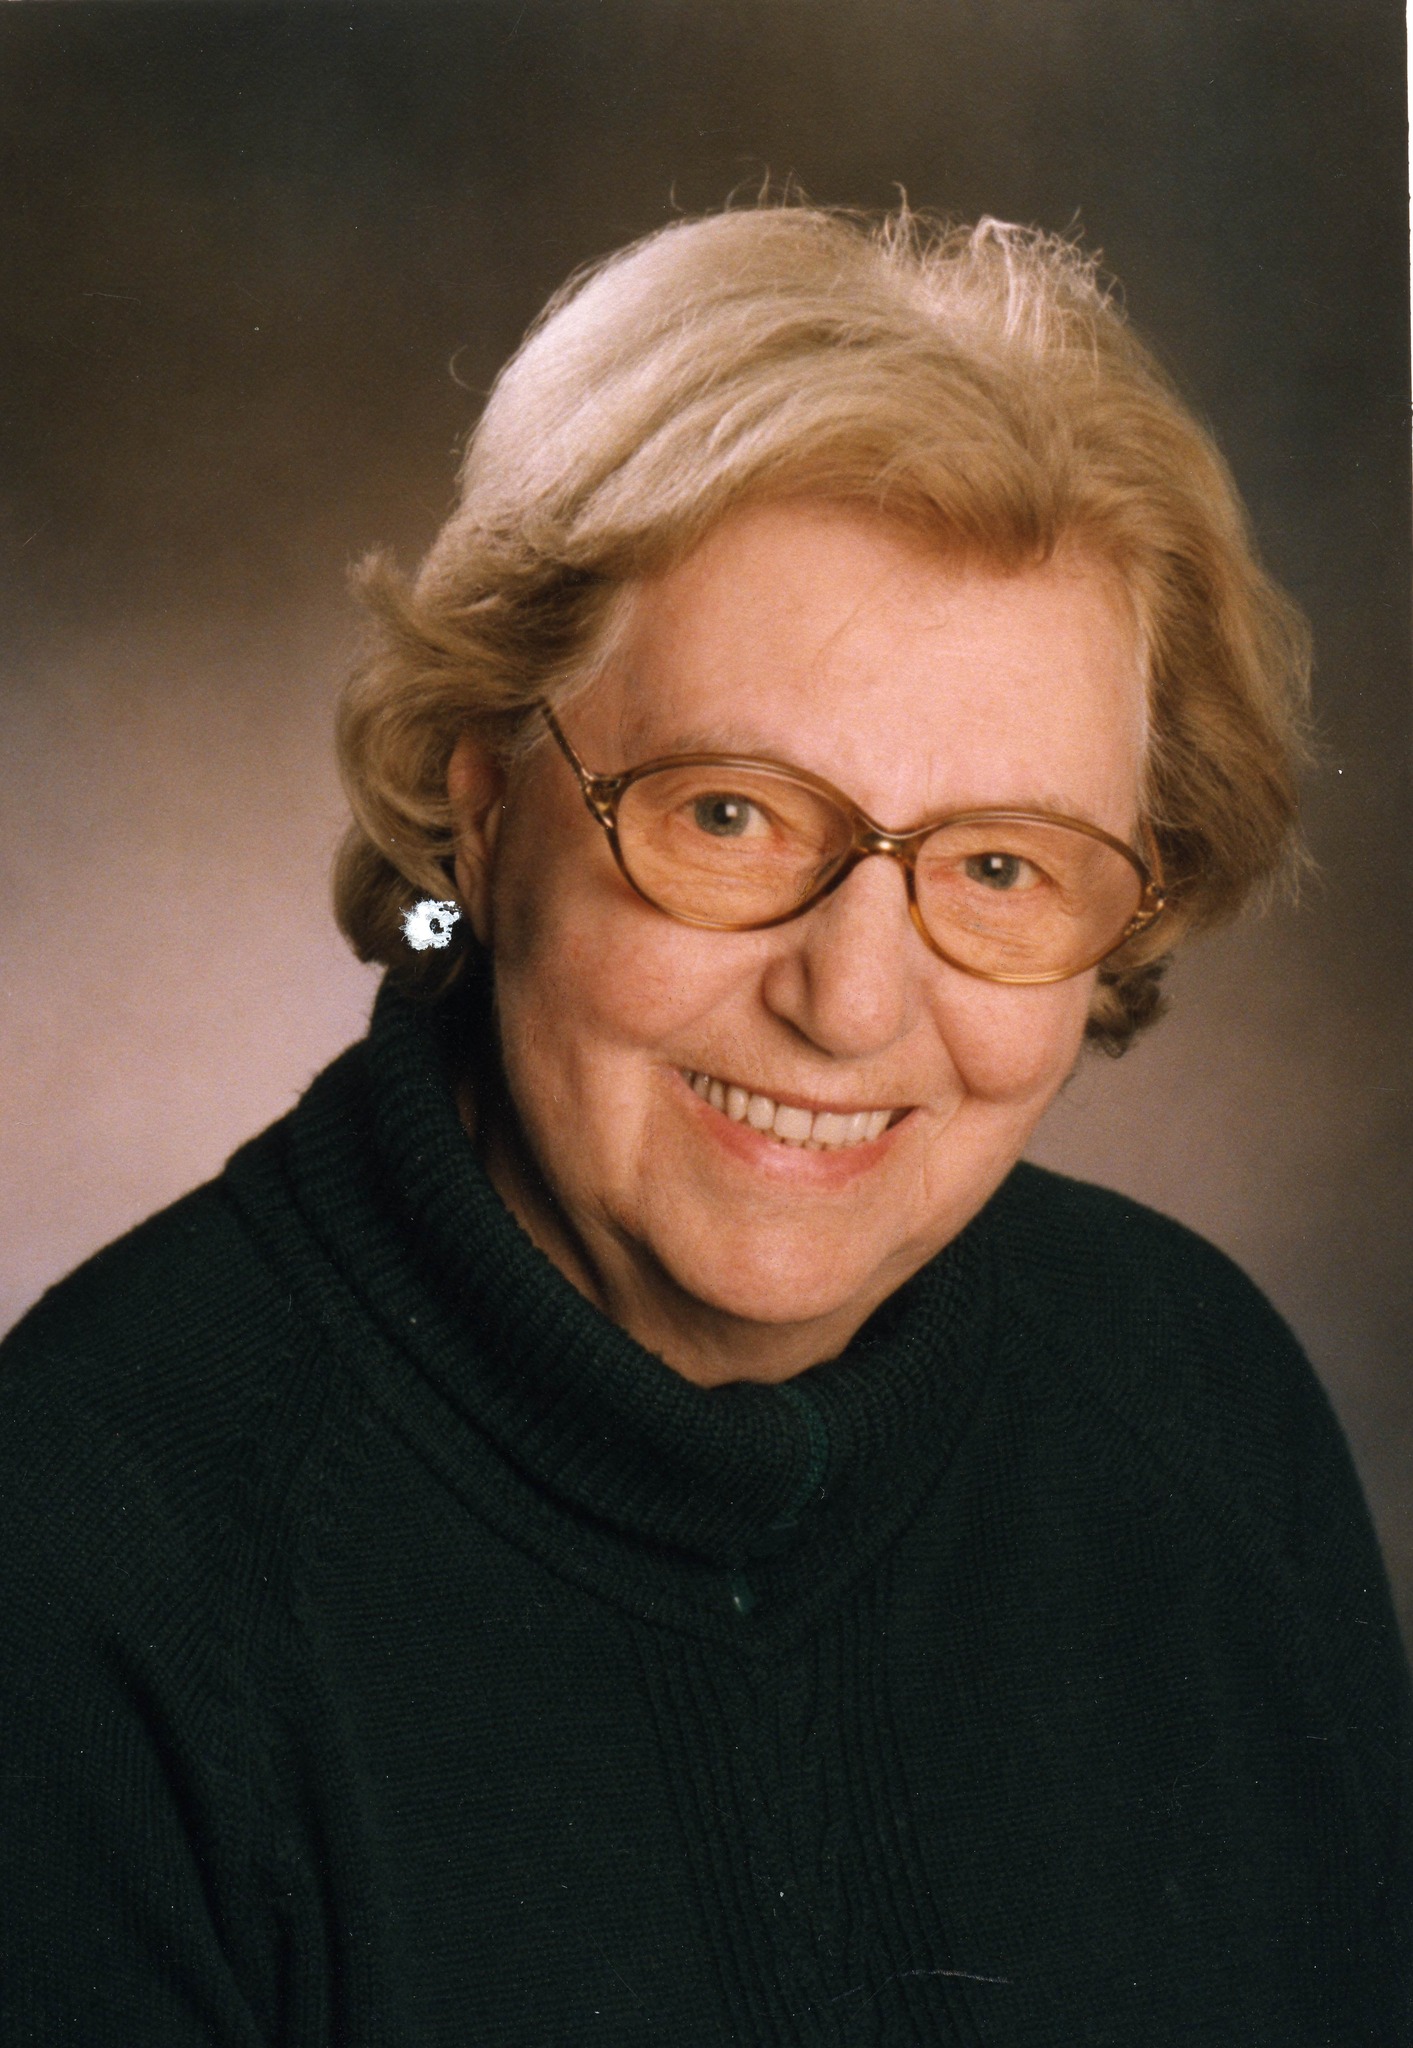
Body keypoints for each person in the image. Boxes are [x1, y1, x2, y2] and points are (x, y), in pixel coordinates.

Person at [1, 205, 1408, 2044]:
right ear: (485, 809)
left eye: (1000, 866)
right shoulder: (83, 1557)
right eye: (728, 815)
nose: (850, 1001)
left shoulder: (1193, 1401)